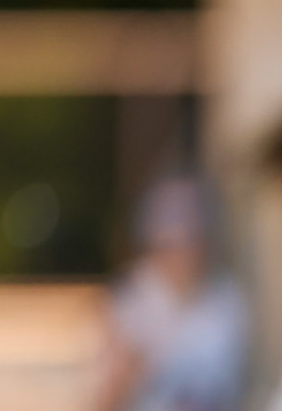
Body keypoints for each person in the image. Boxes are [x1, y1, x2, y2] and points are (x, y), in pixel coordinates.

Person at [93, 175, 247, 411]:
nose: (182, 256)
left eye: (189, 241)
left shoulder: (227, 299)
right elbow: (110, 393)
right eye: (171, 244)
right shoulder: (137, 297)